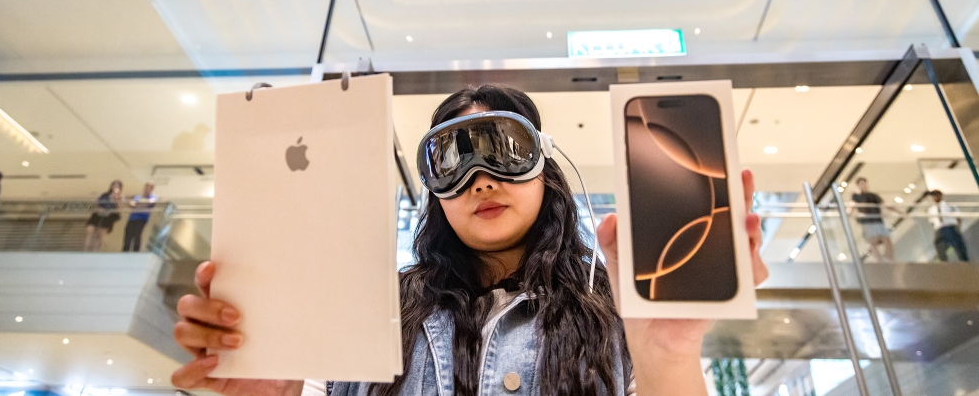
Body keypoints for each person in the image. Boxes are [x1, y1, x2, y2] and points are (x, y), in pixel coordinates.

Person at [170, 85, 769, 396]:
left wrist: (667, 356)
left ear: (543, 165)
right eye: (452, 159)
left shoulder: (618, 313)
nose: (480, 178)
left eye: (504, 148)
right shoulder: (369, 310)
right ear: (434, 189)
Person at [849, 177, 897, 262]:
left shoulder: (873, 195)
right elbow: (852, 204)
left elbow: (885, 203)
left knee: (886, 238)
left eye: (864, 183)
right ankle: (878, 259)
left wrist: (899, 211)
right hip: (867, 222)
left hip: (878, 220)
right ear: (858, 186)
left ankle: (889, 258)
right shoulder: (856, 196)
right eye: (861, 184)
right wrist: (848, 211)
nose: (863, 186)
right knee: (873, 241)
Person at [928, 190, 969, 262]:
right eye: (933, 195)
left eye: (936, 195)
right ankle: (945, 264)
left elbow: (958, 217)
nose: (934, 197)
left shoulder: (949, 205)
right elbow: (932, 221)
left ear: (940, 195)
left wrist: (958, 228)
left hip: (950, 227)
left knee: (958, 246)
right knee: (939, 246)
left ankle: (964, 263)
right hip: (939, 229)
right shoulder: (931, 209)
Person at [84, 180, 124, 251]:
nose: (115, 187)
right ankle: (86, 249)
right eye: (114, 185)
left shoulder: (120, 197)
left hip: (109, 216)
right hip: (99, 214)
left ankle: (96, 251)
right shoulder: (105, 195)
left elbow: (119, 209)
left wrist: (117, 199)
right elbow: (98, 203)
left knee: (101, 234)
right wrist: (99, 208)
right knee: (90, 229)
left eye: (117, 186)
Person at [123, 182, 157, 252]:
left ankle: (136, 251)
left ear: (151, 189)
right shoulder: (138, 196)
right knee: (128, 233)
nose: (146, 189)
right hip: (133, 217)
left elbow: (149, 203)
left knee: (137, 233)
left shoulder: (153, 197)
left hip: (142, 218)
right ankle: (125, 250)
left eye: (148, 188)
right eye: (146, 187)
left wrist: (138, 204)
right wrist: (140, 203)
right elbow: (132, 204)